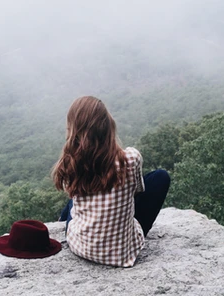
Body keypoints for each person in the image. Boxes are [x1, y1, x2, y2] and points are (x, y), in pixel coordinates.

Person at [52, 96, 170, 267]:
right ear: (108, 125)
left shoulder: (71, 163)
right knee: (160, 177)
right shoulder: (131, 158)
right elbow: (136, 192)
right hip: (123, 254)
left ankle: (61, 221)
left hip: (81, 247)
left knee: (73, 200)